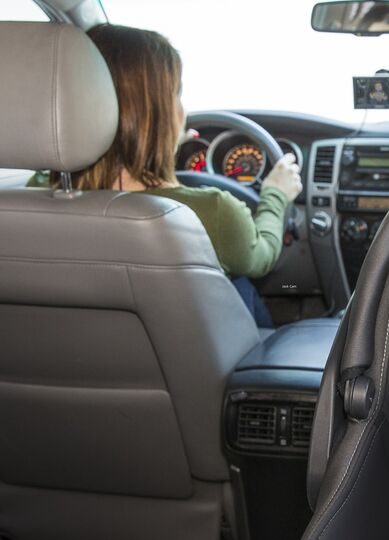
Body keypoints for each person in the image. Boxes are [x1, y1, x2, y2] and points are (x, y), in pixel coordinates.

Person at [34, 24, 301, 327]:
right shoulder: (210, 211)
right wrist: (276, 194)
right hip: (193, 369)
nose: (182, 110)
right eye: (176, 95)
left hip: (57, 364)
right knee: (242, 285)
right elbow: (261, 257)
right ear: (159, 115)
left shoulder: (33, 196)